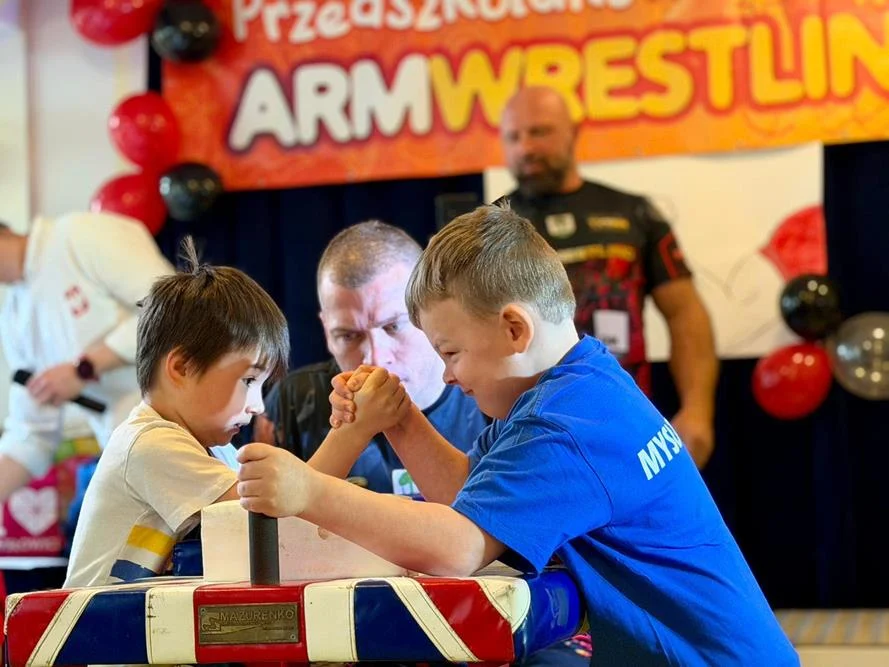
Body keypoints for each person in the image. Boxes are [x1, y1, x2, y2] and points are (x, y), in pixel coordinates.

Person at [236, 205, 799, 666]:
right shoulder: (577, 385)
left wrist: (310, 491)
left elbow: (458, 547)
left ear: (513, 329)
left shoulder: (567, 427)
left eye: (450, 352)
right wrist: (401, 418)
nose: (448, 375)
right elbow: (467, 492)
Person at [65, 238, 410, 588]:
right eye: (248, 381)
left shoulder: (216, 451)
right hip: (90, 622)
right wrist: (352, 431)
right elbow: (272, 531)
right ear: (182, 367)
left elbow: (289, 512)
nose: (257, 406)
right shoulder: (151, 443)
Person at [497, 86, 719, 467]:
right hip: (527, 436)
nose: (526, 148)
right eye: (513, 137)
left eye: (539, 132)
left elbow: (685, 313)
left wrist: (697, 409)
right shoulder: (489, 230)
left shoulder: (634, 214)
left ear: (574, 132)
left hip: (628, 425)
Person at [254, 220, 488, 495]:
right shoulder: (291, 402)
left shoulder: (494, 394)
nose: (375, 359)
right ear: (326, 330)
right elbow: (263, 518)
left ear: (430, 314)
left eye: (393, 326)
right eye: (349, 336)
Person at [0, 212, 175, 505]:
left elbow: (170, 306)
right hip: (127, 455)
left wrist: (85, 367)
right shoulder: (13, 320)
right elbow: (30, 434)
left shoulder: (78, 234)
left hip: (182, 423)